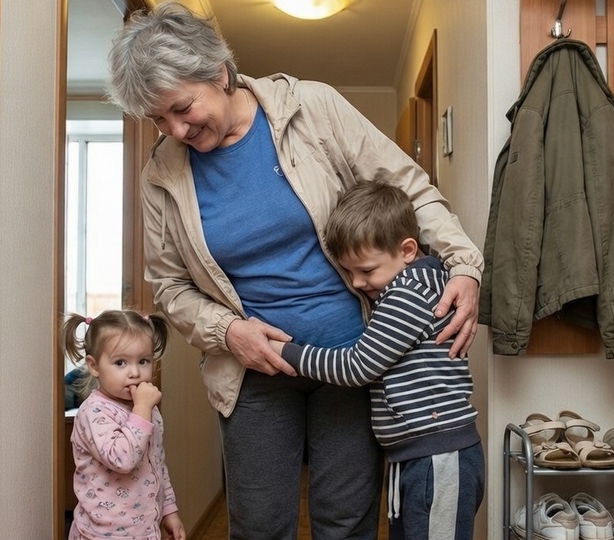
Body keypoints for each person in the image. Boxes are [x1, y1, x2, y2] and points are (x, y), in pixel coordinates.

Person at [105, 2, 484, 538]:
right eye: (157, 120)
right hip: (254, 375)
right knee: (258, 525)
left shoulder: (311, 107)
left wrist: (465, 265)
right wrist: (229, 332)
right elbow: (169, 286)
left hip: (356, 362)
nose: (176, 129)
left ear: (219, 72)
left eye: (182, 108)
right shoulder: (161, 173)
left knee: (345, 522)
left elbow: (410, 189)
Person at [268, 181, 484, 540]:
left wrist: (283, 351)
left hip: (438, 456)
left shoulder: (409, 294)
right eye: (349, 272)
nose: (357, 282)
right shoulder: (402, 287)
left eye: (366, 271)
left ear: (407, 250)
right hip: (416, 453)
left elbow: (357, 366)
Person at [61, 310, 186, 540]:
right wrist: (142, 410)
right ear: (94, 365)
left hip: (144, 529)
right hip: (102, 534)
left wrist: (170, 510)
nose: (135, 373)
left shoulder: (148, 410)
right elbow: (122, 458)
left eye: (143, 361)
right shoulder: (94, 412)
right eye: (120, 362)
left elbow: (157, 463)